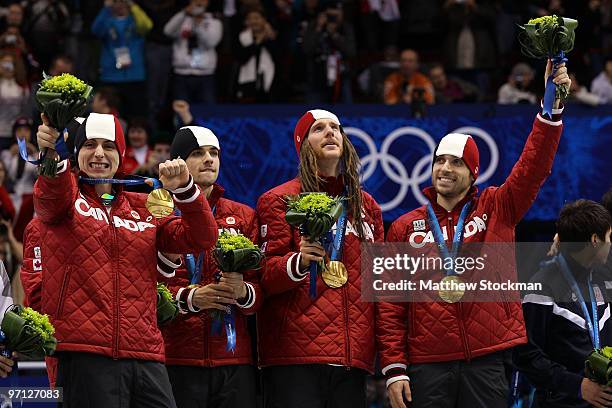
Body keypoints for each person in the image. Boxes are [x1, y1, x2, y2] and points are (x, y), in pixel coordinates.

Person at [378, 59, 571, 408]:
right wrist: (394, 368)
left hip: (486, 359)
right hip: (427, 363)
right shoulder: (405, 226)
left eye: (456, 162)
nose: (445, 168)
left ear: (473, 173)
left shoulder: (497, 207)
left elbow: (533, 167)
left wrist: (550, 111)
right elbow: (390, 305)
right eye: (440, 160)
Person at [34, 111, 218, 407]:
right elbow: (48, 198)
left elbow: (202, 238)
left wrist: (186, 190)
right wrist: (51, 157)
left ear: (121, 153)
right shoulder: (66, 200)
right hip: (85, 351)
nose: (98, 153)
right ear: (77, 152)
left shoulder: (145, 205)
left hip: (145, 351)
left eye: (108, 146)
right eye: (89, 145)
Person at [257, 109, 384, 407]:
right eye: (318, 129)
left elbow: (378, 284)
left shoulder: (367, 207)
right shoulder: (278, 200)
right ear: (303, 144)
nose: (330, 133)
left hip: (353, 357)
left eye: (335, 128)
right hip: (296, 356)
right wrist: (299, 262)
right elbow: (264, 277)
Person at [159, 126, 263, 408]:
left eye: (214, 153)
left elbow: (260, 291)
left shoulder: (243, 215)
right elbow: (147, 284)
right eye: (198, 153)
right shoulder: (160, 213)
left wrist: (242, 291)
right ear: (179, 162)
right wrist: (192, 298)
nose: (209, 159)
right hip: (176, 356)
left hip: (234, 359)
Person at [514, 200, 612, 408]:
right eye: (609, 237)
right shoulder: (542, 286)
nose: (611, 244)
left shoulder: (602, 278)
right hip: (561, 402)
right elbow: (525, 355)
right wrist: (577, 386)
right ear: (595, 240)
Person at [92, 0, 152, 117]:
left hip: (134, 75)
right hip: (110, 76)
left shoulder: (135, 21)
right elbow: (95, 30)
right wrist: (106, 8)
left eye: (122, 1)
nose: (119, 4)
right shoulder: (107, 20)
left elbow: (147, 26)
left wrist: (133, 5)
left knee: (135, 114)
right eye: (115, 1)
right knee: (108, 115)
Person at [164, 0, 223, 105]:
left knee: (207, 111)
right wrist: (183, 13)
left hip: (205, 75)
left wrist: (198, 25)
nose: (198, 2)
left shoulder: (214, 21)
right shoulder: (182, 19)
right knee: (182, 112)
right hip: (182, 73)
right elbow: (168, 31)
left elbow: (211, 42)